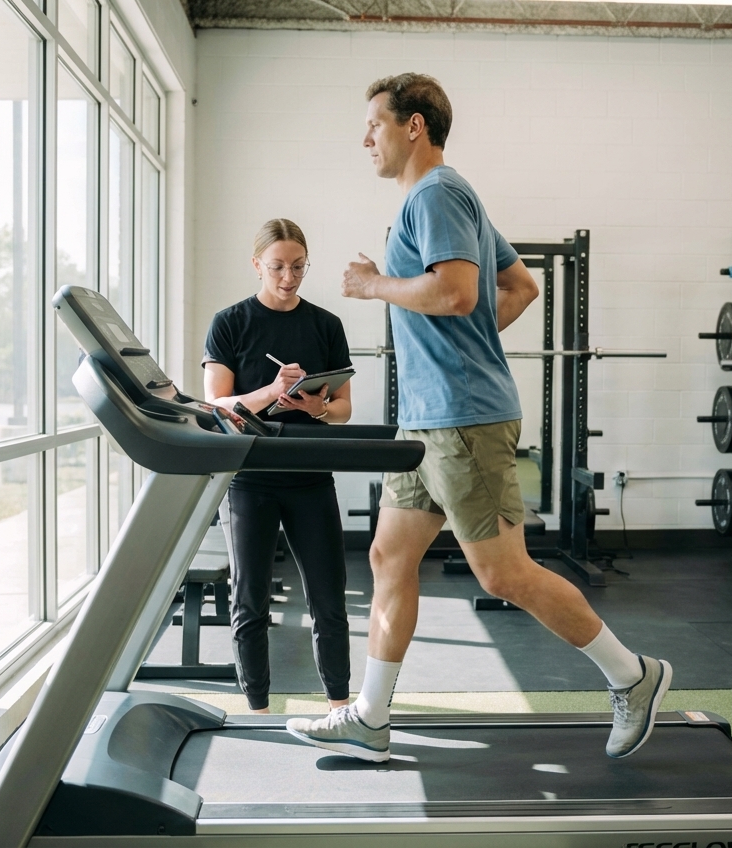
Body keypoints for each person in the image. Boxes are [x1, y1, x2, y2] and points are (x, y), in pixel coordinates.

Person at [287, 74, 672, 761]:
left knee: (503, 574)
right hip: (427, 420)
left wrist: (374, 285)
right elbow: (520, 285)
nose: (365, 137)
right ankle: (370, 716)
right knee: (388, 556)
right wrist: (465, 342)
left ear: (414, 125)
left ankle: (632, 676)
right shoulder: (439, 196)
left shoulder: (436, 194)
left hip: (462, 420)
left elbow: (459, 293)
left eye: (375, 123)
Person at [203, 218, 355, 715]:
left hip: (310, 476)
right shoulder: (229, 323)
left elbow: (343, 409)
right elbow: (217, 406)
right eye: (277, 267)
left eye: (298, 266)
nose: (288, 277)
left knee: (329, 600)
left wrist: (318, 408)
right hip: (250, 479)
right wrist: (272, 391)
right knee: (250, 602)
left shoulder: (326, 325)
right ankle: (257, 711)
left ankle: (339, 708)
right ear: (257, 265)